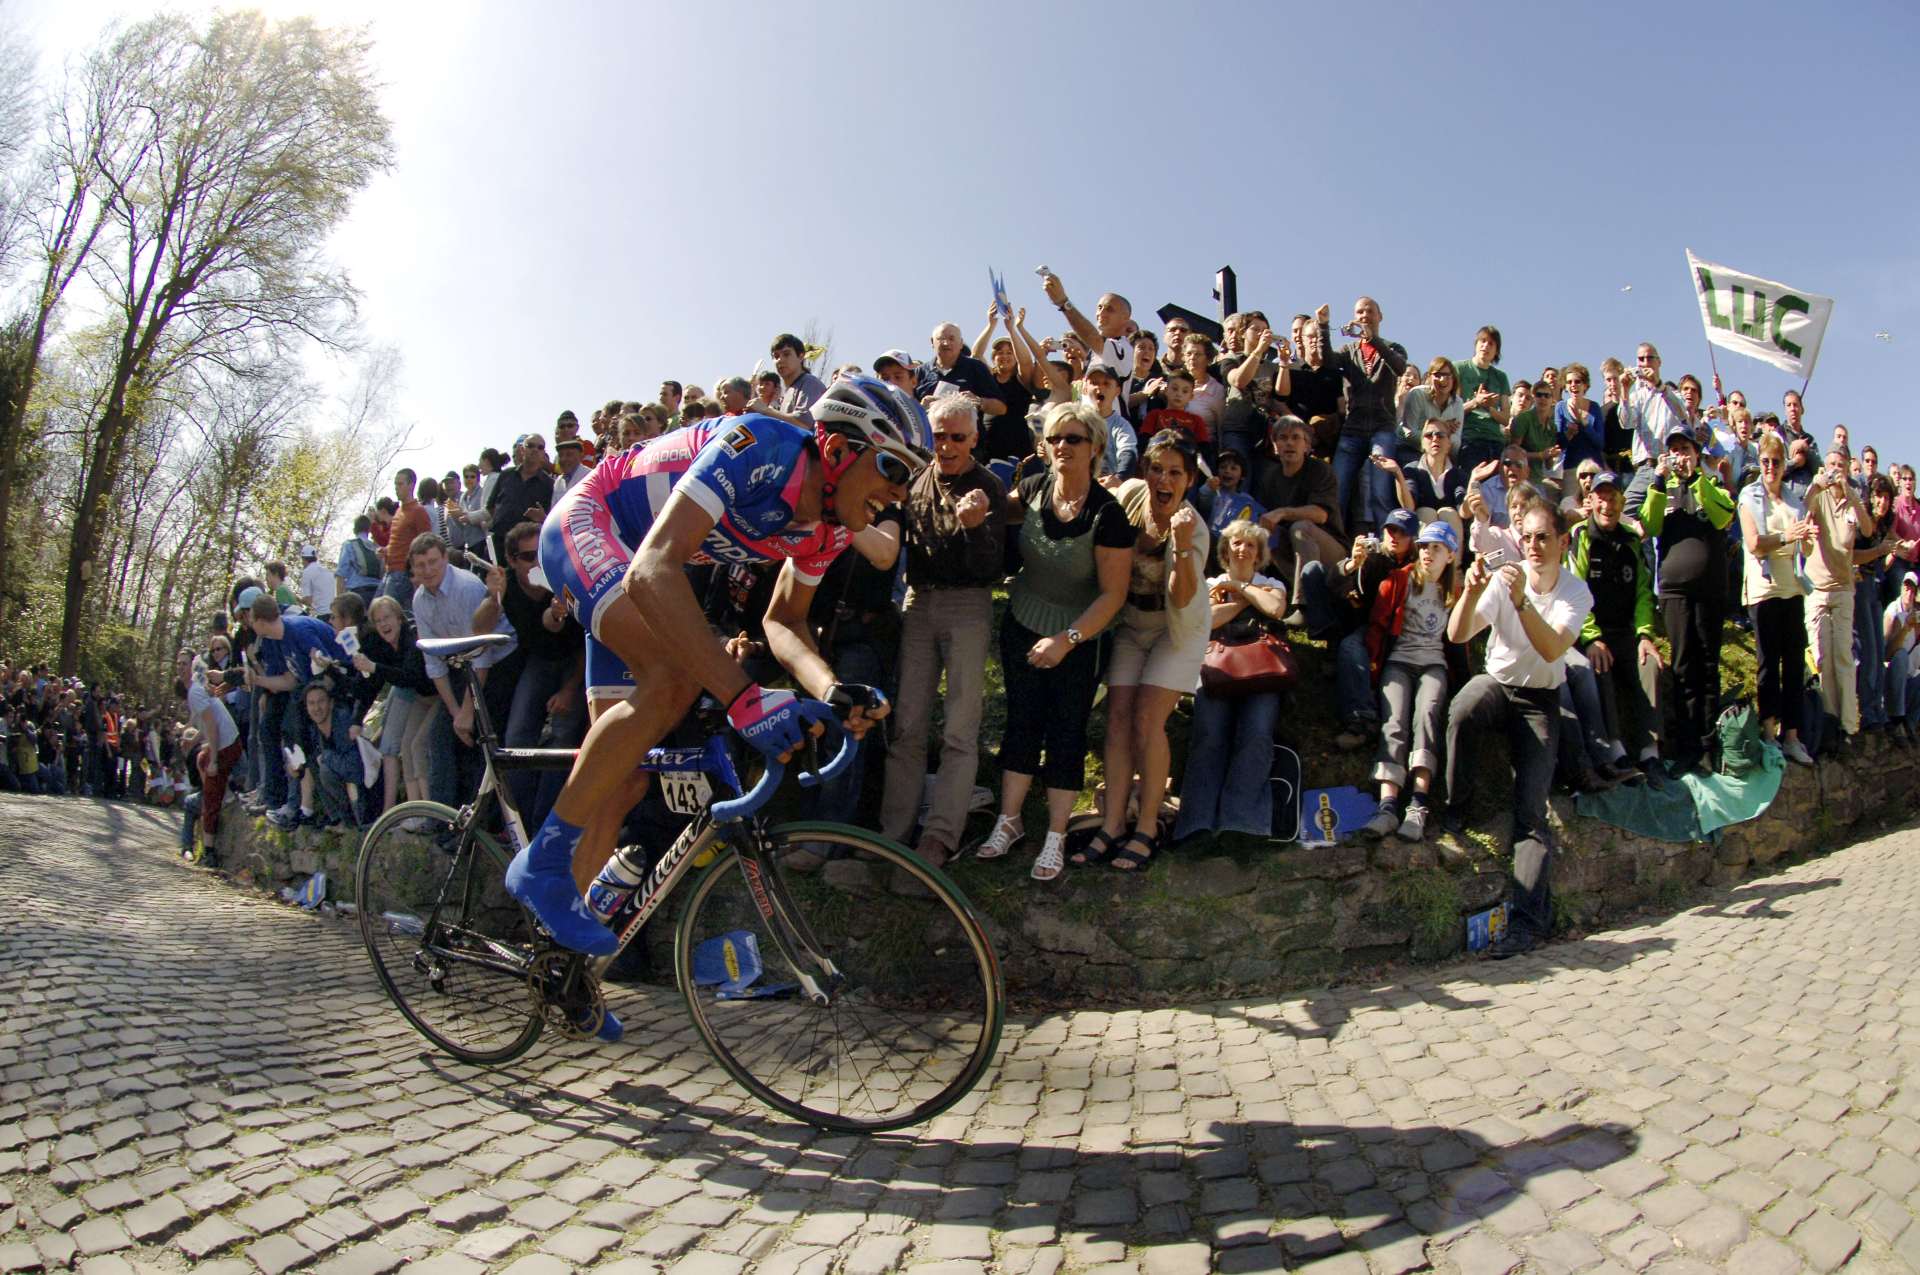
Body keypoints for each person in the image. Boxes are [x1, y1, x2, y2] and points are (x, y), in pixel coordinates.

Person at [511, 376, 929, 1041]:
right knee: (675, 678)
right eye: (895, 470)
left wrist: (829, 688)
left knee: (621, 779)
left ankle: (561, 967)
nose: (899, 494)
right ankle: (540, 864)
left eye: (911, 480)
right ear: (842, 447)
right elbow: (654, 568)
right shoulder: (760, 443)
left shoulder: (826, 530)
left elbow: (785, 620)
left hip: (631, 566)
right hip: (593, 526)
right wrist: (742, 697)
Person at [977, 401, 1131, 878]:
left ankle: (1056, 835)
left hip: (1080, 637)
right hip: (1023, 621)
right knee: (1022, 721)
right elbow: (994, 512)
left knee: (1066, 732)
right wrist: (974, 508)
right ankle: (1009, 821)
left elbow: (1113, 595)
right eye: (1055, 438)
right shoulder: (1033, 489)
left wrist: (1067, 639)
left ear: (1096, 447)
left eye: (1074, 439)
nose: (1062, 446)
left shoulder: (1109, 516)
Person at [1443, 504, 1592, 957]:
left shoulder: (1575, 592)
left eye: (1543, 537)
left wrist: (1523, 599)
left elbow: (1551, 650)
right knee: (1463, 708)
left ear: (1563, 542)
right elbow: (1458, 634)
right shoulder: (1506, 577)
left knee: (1531, 813)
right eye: (1526, 538)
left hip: (1540, 700)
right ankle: (1454, 809)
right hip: (1498, 684)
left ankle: (1529, 923)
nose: (1533, 547)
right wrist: (1469, 593)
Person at [1072, 431, 1210, 877]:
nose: (1163, 479)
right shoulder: (1131, 495)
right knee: (1117, 717)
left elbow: (1183, 595)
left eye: (1174, 472)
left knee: (1148, 720)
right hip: (1132, 622)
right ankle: (1112, 823)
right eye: (1156, 468)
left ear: (1188, 479)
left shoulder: (1195, 527)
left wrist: (1183, 544)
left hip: (1177, 630)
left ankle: (1147, 828)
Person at [880, 396, 1007, 869]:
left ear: (975, 439)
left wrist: (974, 528)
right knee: (907, 725)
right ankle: (893, 834)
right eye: (940, 436)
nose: (948, 445)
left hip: (967, 605)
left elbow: (991, 565)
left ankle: (940, 837)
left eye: (958, 437)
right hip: (919, 601)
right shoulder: (915, 479)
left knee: (959, 727)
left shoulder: (989, 485)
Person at [1172, 515, 1290, 842]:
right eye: (1237, 543)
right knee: (1208, 735)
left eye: (1250, 545)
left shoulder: (1273, 583)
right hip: (1217, 669)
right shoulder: (1210, 584)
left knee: (1257, 734)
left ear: (1259, 553)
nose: (1242, 549)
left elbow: (1276, 608)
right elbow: (1206, 621)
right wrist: (1247, 599)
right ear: (1226, 549)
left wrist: (1237, 589)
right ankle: (1197, 822)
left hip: (1263, 672)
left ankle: (1243, 822)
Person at [473, 521, 586, 830]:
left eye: (541, 552)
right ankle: (522, 825)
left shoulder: (562, 574)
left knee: (563, 738)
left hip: (576, 663)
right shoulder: (506, 583)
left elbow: (580, 643)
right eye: (526, 557)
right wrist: (492, 595)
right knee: (516, 739)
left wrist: (569, 690)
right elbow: (479, 628)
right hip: (538, 661)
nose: (537, 562)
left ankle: (545, 825)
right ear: (511, 560)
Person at [1638, 424, 1735, 772]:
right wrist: (1660, 481)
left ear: (1696, 454)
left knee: (1708, 665)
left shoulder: (1711, 485)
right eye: (1674, 450)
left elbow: (1724, 516)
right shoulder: (1662, 488)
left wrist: (1697, 479)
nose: (1680, 457)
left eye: (1685, 450)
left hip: (1710, 590)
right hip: (1675, 591)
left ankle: (1709, 746)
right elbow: (1648, 525)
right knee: (1682, 665)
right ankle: (1684, 748)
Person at [1359, 520, 1460, 841]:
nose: (1428, 553)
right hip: (1399, 660)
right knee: (1394, 720)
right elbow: (1377, 625)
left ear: (1450, 555)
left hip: (1434, 664)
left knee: (1428, 714)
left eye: (1437, 548)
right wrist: (1375, 666)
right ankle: (1388, 806)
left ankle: (1418, 805)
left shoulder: (1455, 589)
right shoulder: (1400, 581)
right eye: (1424, 546)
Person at [1566, 472, 1663, 781]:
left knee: (1650, 666)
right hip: (1594, 632)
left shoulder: (1631, 539)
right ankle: (1615, 749)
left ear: (1622, 502)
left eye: (1613, 498)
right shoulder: (1580, 535)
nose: (1607, 505)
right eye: (1601, 498)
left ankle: (1651, 752)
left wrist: (1645, 634)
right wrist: (1592, 638)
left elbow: (1644, 592)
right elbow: (1575, 590)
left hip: (1627, 631)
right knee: (1600, 664)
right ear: (1591, 500)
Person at [1737, 433, 1817, 766]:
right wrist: (1788, 536)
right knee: (1769, 664)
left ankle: (1793, 736)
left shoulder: (1793, 500)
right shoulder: (1749, 496)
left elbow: (1805, 548)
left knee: (1795, 664)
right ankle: (1769, 733)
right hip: (1764, 590)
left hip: (1792, 588)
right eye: (1766, 461)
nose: (1770, 467)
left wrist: (1808, 539)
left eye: (1776, 462)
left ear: (1784, 465)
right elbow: (1754, 543)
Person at [1802, 446, 1870, 754]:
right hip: (1817, 588)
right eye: (1830, 464)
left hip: (1844, 589)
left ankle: (1848, 726)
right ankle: (1827, 723)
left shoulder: (1852, 501)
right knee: (1822, 657)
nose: (1834, 470)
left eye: (1840, 465)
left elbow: (1869, 530)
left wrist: (1852, 494)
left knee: (1844, 657)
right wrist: (1817, 484)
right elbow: (1801, 509)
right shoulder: (1818, 496)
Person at [353, 595, 434, 812]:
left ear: (399, 618)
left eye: (387, 618)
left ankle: (430, 813)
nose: (383, 624)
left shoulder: (411, 638)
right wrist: (356, 719)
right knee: (406, 746)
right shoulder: (386, 646)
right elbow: (370, 685)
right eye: (378, 621)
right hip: (420, 698)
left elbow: (409, 676)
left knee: (417, 745)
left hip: (438, 697)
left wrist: (375, 668)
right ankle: (414, 811)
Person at [1256, 415, 1344, 606]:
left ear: (1306, 445)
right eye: (1283, 438)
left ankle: (1305, 603)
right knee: (1264, 532)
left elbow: (1321, 515)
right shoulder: (1269, 477)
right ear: (1275, 445)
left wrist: (1283, 512)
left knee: (1300, 527)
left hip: (1331, 551)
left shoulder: (1321, 470)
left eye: (1296, 437)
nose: (1289, 443)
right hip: (1292, 553)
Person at [486, 435, 555, 563]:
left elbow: (550, 520)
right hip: (498, 543)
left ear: (543, 453)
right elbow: (491, 506)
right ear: (522, 450)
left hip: (525, 552)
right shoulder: (506, 475)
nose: (535, 450)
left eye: (540, 447)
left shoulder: (549, 484)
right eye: (530, 446)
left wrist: (542, 518)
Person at [1453, 326, 1511, 472]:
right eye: (1482, 341)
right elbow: (1452, 410)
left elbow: (1506, 418)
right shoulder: (1459, 368)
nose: (1486, 346)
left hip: (1496, 441)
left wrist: (1489, 408)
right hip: (1469, 438)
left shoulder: (1501, 377)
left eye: (1491, 343)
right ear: (1476, 344)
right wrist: (1475, 402)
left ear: (1497, 350)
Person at [382, 470, 432, 610]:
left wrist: (418, 574)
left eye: (400, 484)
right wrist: (386, 550)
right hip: (390, 571)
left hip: (403, 573)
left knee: (387, 612)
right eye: (395, 484)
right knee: (377, 613)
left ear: (411, 485)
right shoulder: (399, 511)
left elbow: (426, 543)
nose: (396, 488)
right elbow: (400, 541)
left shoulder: (418, 511)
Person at [1885, 571, 1920, 743]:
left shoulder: (1916, 613)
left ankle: (1911, 721)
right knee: (1901, 656)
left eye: (1913, 590)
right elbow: (1887, 652)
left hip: (1908, 670)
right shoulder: (1893, 612)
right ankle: (1897, 719)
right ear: (1901, 588)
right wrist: (1906, 627)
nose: (1909, 593)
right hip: (1892, 670)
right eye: (1906, 589)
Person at [771, 332, 828, 416]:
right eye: (776, 356)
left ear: (801, 356)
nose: (780, 360)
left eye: (786, 354)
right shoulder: (787, 392)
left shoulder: (810, 382)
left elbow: (802, 424)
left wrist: (766, 411)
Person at [337, 515, 383, 608]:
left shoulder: (349, 545)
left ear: (354, 530)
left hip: (357, 595)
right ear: (369, 530)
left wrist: (339, 603)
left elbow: (341, 575)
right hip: (378, 594)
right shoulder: (376, 547)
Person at [297, 544, 336, 616]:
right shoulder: (327, 571)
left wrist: (297, 599)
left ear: (303, 559)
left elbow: (308, 600)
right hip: (333, 614)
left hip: (321, 615)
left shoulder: (307, 572)